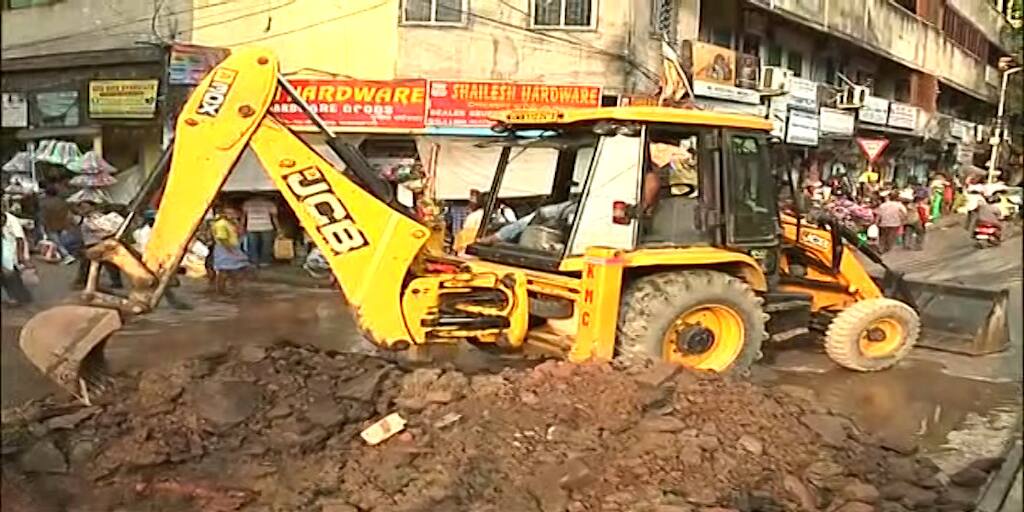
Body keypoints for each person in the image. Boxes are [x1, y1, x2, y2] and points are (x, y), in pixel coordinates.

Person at [73, 199, 123, 290]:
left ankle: (115, 282)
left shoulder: (97, 217)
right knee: (91, 264)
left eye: (85, 206)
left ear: (93, 207)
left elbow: (103, 227)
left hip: (97, 243)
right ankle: (86, 282)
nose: (83, 209)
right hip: (90, 243)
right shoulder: (85, 218)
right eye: (82, 207)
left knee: (105, 264)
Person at [211, 206, 250, 296]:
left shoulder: (231, 223)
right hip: (225, 248)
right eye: (230, 213)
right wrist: (230, 250)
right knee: (223, 271)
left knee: (236, 270)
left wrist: (237, 223)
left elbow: (241, 232)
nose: (233, 215)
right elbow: (222, 239)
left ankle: (233, 290)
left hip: (233, 247)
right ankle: (221, 291)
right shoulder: (221, 224)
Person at [2, 208, 33, 306]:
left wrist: (20, 257)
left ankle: (18, 298)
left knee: (11, 276)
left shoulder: (12, 221)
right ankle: (19, 297)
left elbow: (20, 239)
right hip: (6, 252)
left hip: (13, 252)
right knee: (8, 277)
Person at [39, 184, 75, 264]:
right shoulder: (62, 202)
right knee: (61, 241)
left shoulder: (44, 203)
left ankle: (66, 255)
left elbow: (43, 216)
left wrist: (43, 226)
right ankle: (64, 256)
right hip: (62, 223)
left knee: (56, 242)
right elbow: (67, 213)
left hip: (50, 225)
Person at [241, 194, 278, 267]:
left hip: (251, 226)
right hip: (266, 226)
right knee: (266, 245)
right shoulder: (269, 203)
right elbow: (274, 217)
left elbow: (244, 217)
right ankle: (264, 261)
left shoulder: (247, 203)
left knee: (252, 245)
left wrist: (241, 226)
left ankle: (253, 262)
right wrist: (278, 228)